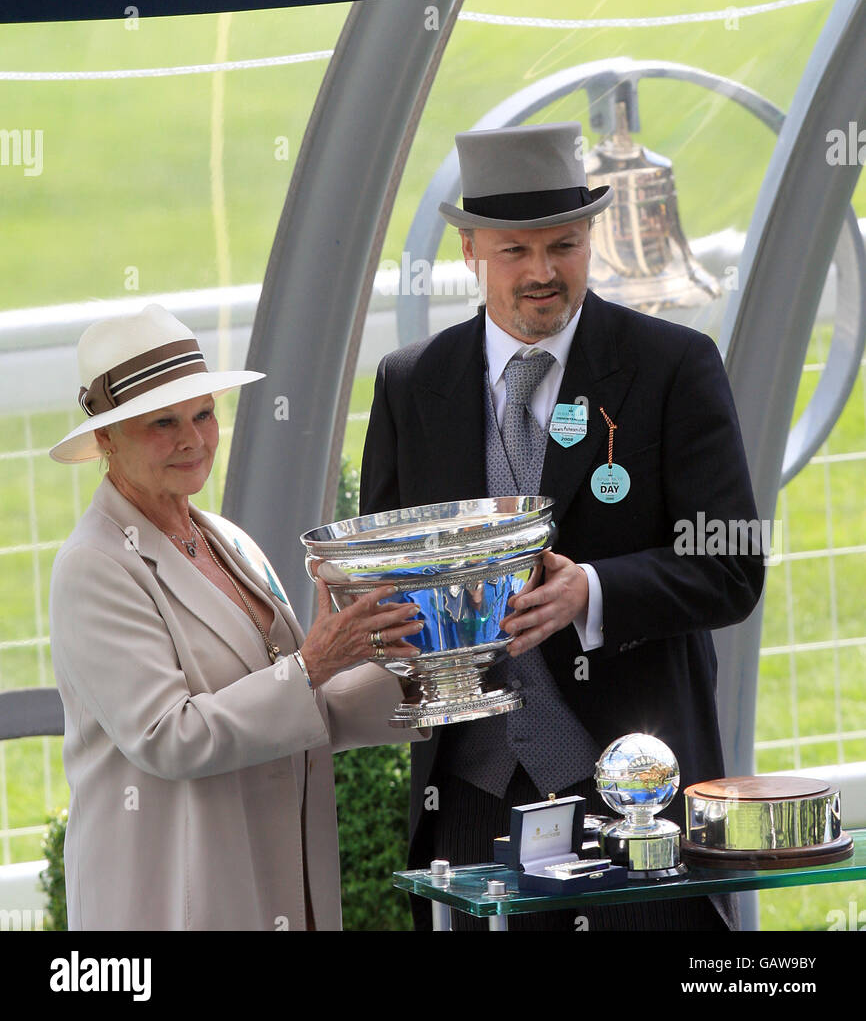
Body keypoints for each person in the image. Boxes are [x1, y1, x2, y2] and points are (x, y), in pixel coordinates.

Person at [360, 122, 765, 931]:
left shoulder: (673, 367)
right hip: (467, 799)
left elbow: (731, 567)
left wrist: (593, 592)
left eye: (565, 246)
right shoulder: (412, 384)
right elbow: (387, 569)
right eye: (516, 252)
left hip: (632, 792)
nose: (543, 273)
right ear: (472, 250)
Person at [48, 303, 426, 931]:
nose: (192, 438)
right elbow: (169, 737)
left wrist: (418, 670)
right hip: (170, 903)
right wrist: (312, 663)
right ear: (105, 440)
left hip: (280, 883)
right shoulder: (92, 565)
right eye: (161, 423)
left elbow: (301, 711)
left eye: (203, 413)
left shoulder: (226, 538)